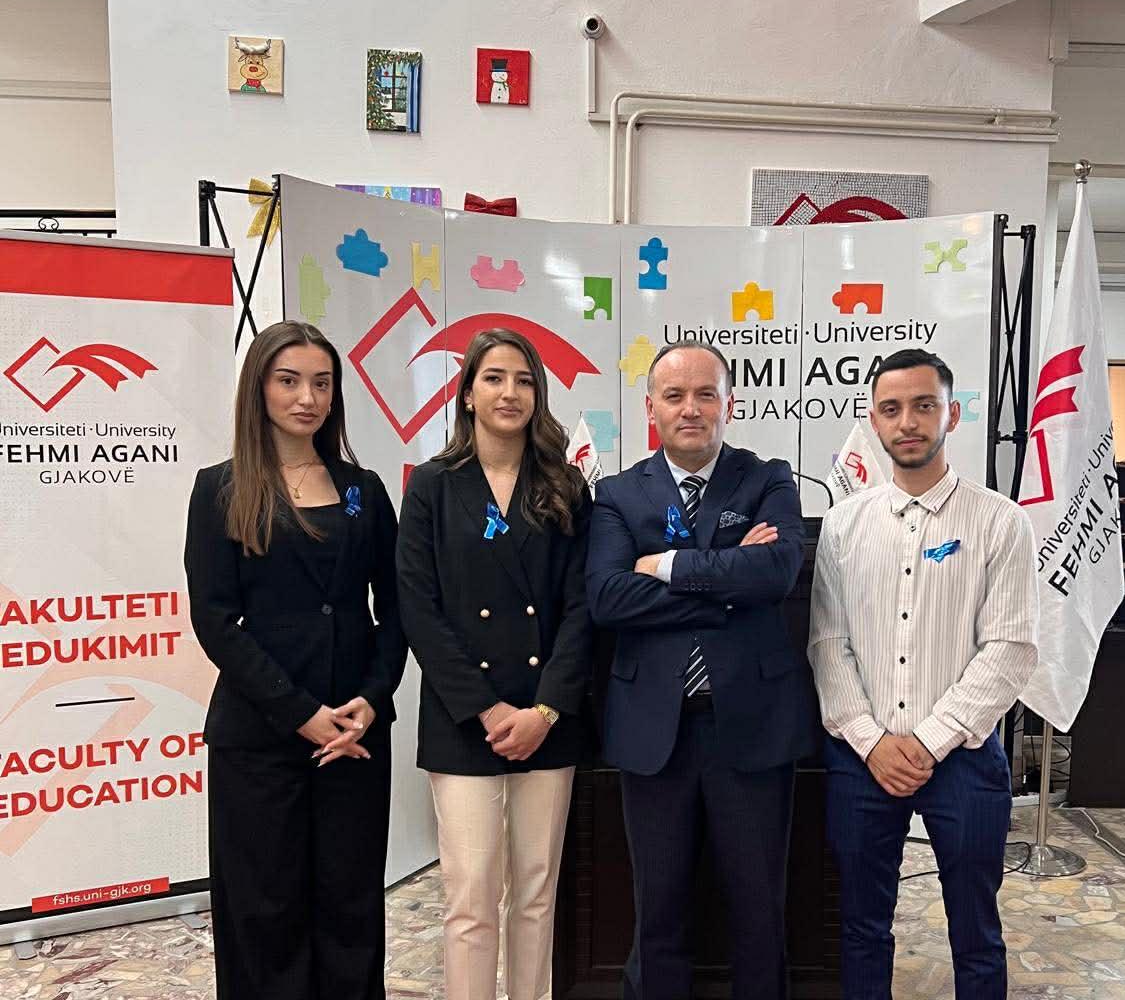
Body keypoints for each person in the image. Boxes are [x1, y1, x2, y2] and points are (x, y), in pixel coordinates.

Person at [586, 341, 819, 1000]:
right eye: (675, 396)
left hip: (752, 726)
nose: (691, 408)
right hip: (652, 732)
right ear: (651, 408)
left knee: (758, 908)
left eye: (705, 394)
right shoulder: (617, 494)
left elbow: (775, 573)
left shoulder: (767, 479)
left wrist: (664, 566)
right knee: (658, 909)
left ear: (729, 404)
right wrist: (728, 584)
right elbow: (607, 598)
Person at [184, 320, 406, 1000]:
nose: (307, 398)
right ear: (259, 387)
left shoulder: (364, 488)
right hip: (260, 736)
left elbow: (398, 608)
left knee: (350, 905)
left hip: (355, 734)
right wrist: (299, 713)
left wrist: (374, 698)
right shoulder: (220, 489)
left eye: (321, 383)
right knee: (263, 910)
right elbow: (215, 621)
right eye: (289, 381)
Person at [808, 348, 1038, 1000]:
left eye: (923, 405)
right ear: (873, 421)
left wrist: (928, 741)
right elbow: (827, 643)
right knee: (861, 926)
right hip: (862, 759)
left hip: (964, 759)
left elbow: (1010, 649)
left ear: (951, 414)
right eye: (891, 409)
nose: (907, 422)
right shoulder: (844, 524)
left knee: (976, 930)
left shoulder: (1000, 521)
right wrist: (873, 742)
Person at [396, 327, 593, 1000]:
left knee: (536, 892)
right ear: (468, 394)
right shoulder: (432, 485)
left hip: (547, 718)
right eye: (495, 378)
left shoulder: (566, 486)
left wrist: (545, 709)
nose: (511, 392)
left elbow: (581, 609)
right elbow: (417, 607)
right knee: (471, 895)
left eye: (525, 380)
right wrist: (485, 708)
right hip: (464, 720)